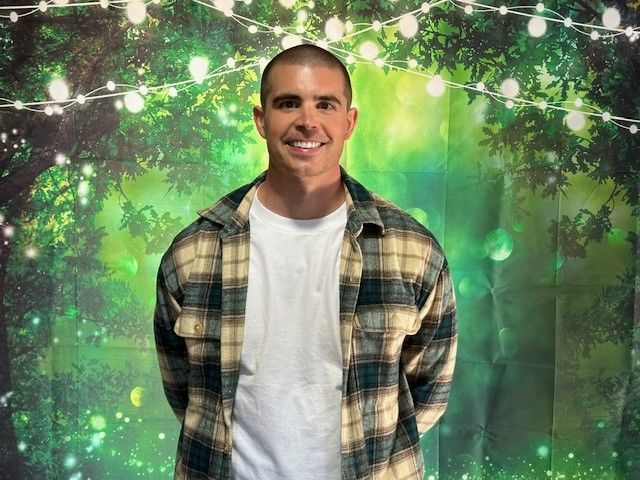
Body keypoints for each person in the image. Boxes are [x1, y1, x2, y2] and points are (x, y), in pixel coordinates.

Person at [154, 44, 457, 480]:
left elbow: (428, 389)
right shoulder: (193, 252)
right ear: (261, 119)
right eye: (288, 103)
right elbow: (185, 390)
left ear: (349, 121)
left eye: (325, 104)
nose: (307, 121)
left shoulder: (411, 250)